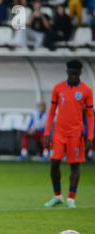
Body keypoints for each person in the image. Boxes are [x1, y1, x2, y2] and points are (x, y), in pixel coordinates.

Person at [44, 60, 93, 209]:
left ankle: (71, 198)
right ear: (67, 72)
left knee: (74, 166)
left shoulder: (86, 91)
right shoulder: (58, 88)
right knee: (54, 163)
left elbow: (90, 115)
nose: (73, 76)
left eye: (75, 74)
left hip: (76, 134)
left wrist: (90, 136)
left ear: (80, 73)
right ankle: (57, 195)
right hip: (59, 132)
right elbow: (52, 111)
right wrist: (47, 132)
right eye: (70, 73)